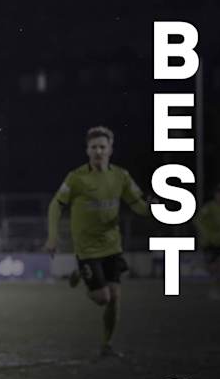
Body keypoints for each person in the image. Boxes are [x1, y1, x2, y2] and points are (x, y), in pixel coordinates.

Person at [44, 126, 150, 357]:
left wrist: (153, 209)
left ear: (110, 149)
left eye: (103, 147)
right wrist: (53, 237)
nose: (98, 151)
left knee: (115, 298)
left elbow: (137, 204)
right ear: (87, 150)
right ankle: (82, 272)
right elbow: (56, 204)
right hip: (87, 249)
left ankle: (107, 344)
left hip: (112, 245)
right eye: (94, 147)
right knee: (102, 298)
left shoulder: (121, 176)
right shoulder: (76, 178)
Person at [194, 182, 220, 300]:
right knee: (213, 267)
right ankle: (214, 288)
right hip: (210, 242)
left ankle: (218, 289)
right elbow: (197, 220)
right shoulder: (210, 207)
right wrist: (205, 233)